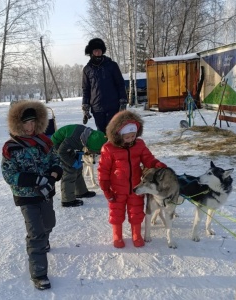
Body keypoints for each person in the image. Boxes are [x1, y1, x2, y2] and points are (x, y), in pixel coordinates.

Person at [1, 100, 63, 290]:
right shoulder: (11, 147)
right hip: (26, 196)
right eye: (26, 122)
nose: (30, 126)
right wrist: (34, 180)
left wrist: (54, 173)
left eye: (33, 122)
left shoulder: (45, 141)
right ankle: (39, 273)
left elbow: (55, 159)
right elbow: (8, 174)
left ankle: (41, 240)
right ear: (18, 123)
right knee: (36, 232)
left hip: (46, 193)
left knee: (49, 223)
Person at [98, 110, 167, 248]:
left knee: (136, 211)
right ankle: (117, 235)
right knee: (116, 212)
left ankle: (136, 234)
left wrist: (156, 164)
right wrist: (106, 188)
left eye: (133, 136)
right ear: (118, 135)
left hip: (136, 187)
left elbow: (148, 158)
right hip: (117, 189)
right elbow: (103, 170)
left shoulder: (139, 145)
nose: (130, 139)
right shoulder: (108, 148)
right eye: (127, 137)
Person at [51, 124, 107, 207]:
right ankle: (67, 200)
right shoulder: (73, 139)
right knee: (70, 170)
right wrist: (72, 162)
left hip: (67, 146)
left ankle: (81, 191)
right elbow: (61, 152)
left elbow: (80, 144)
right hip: (57, 145)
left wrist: (79, 153)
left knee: (78, 168)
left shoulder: (88, 135)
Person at [82, 38, 128, 134]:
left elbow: (120, 84)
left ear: (102, 51)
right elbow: (86, 89)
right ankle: (103, 149)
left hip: (113, 106)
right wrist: (85, 106)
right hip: (97, 108)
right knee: (101, 134)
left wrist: (123, 101)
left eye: (99, 50)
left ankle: (115, 149)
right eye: (95, 50)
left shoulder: (112, 66)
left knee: (114, 132)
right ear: (91, 52)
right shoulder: (87, 69)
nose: (98, 52)